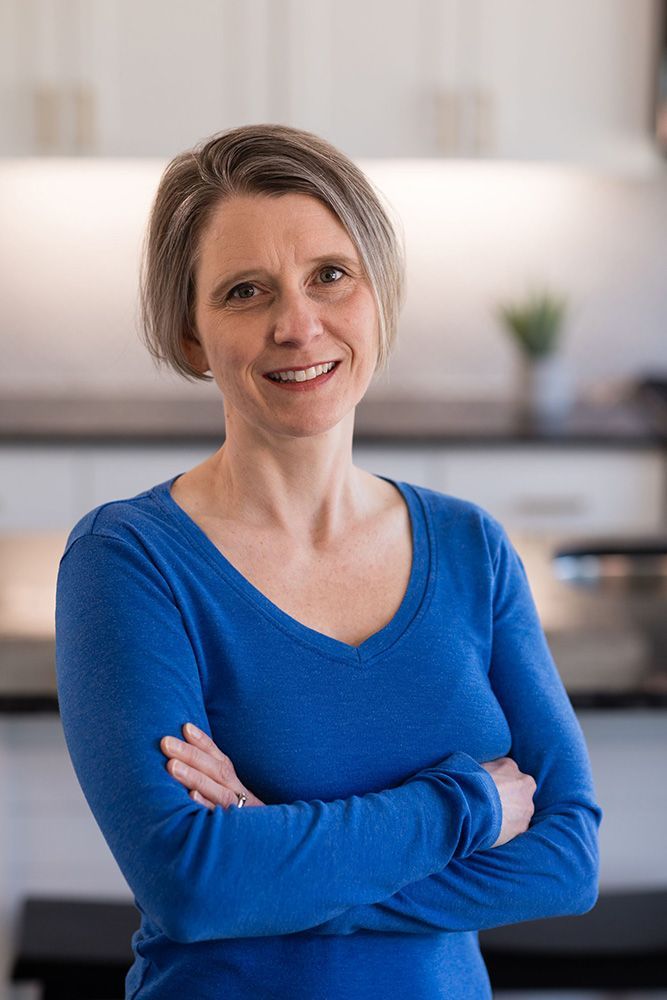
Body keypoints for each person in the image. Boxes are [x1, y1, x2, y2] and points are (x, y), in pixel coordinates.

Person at [55, 123, 603, 1000]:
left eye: (330, 276)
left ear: (375, 294)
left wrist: (270, 850)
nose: (296, 324)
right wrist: (466, 810)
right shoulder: (128, 561)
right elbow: (192, 884)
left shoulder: (469, 548)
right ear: (193, 336)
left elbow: (566, 860)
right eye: (244, 291)